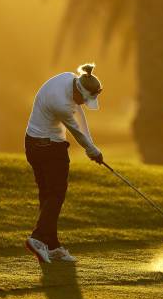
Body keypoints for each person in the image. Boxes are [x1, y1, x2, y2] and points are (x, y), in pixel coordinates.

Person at [24, 63, 104, 263]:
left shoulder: (69, 80)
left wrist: (93, 148)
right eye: (85, 99)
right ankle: (37, 238)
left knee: (48, 196)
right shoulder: (62, 103)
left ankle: (52, 245)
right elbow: (76, 129)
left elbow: (80, 116)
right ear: (79, 90)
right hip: (49, 147)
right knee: (57, 193)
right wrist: (92, 150)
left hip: (33, 144)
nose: (85, 103)